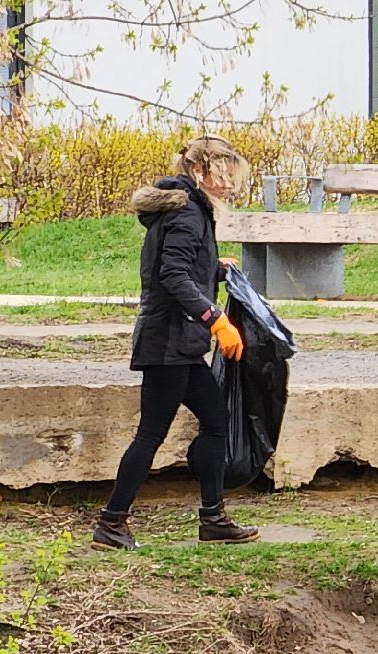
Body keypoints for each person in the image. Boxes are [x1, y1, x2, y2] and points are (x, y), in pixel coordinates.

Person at [93, 135, 259, 551]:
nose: (230, 184)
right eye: (224, 174)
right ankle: (111, 523)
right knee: (150, 434)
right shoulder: (187, 214)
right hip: (168, 343)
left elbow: (183, 266)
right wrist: (216, 318)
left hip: (178, 344)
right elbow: (173, 276)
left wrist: (214, 268)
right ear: (201, 171)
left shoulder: (187, 209)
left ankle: (213, 518)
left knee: (217, 421)